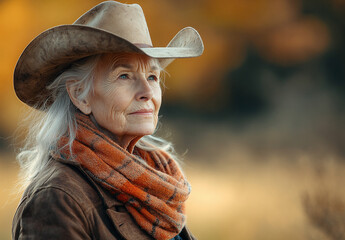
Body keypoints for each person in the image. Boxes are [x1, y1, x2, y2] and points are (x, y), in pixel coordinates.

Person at [12, 1, 203, 240]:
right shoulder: (58, 198)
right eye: (124, 75)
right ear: (79, 95)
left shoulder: (157, 184)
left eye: (152, 76)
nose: (147, 91)